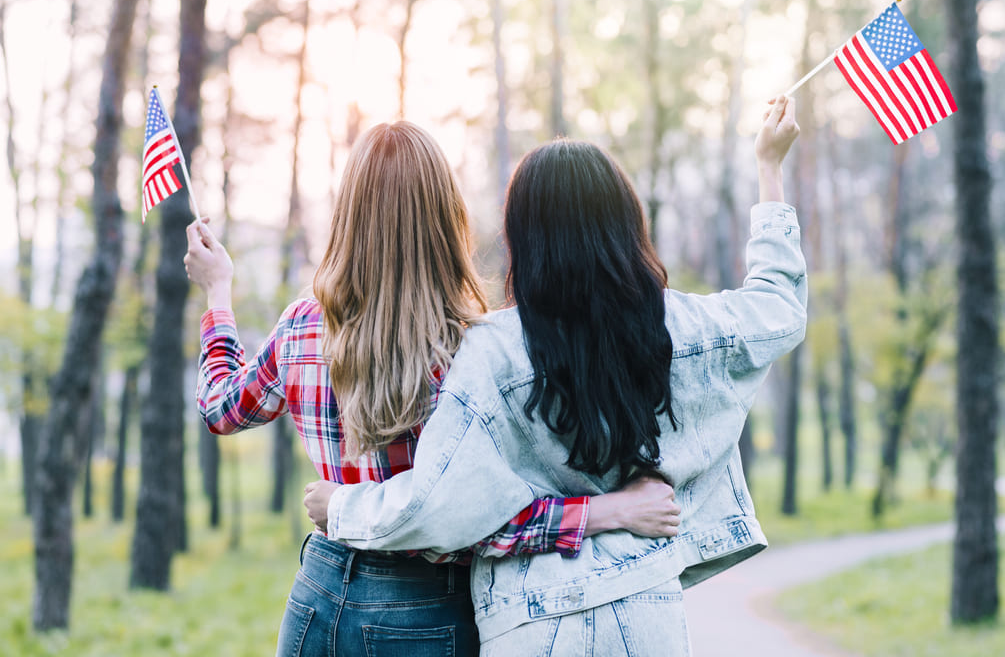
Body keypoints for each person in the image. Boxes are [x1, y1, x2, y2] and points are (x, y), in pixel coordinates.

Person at [303, 95, 806, 655]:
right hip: (646, 612)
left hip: (532, 622)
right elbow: (778, 309)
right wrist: (769, 167)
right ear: (626, 224)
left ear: (523, 238)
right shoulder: (680, 324)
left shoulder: (491, 351)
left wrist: (341, 507)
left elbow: (437, 507)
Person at [183, 121, 682, 657]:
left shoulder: (303, 324)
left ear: (349, 215)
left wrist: (218, 292)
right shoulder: (474, 351)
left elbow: (222, 407)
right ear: (446, 218)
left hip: (318, 593)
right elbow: (481, 522)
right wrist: (612, 512)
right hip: (426, 608)